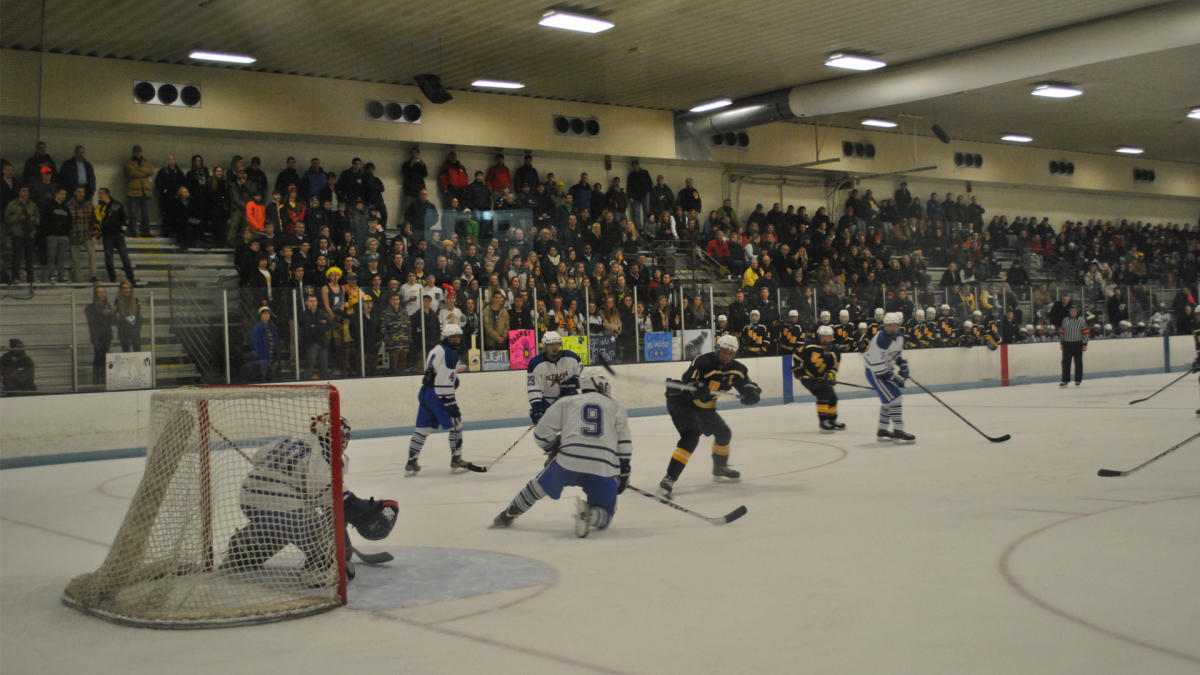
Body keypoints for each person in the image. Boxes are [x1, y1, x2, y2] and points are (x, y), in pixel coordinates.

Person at [221, 415, 399, 588]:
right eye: (340, 435)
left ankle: (243, 551)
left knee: (285, 526)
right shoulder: (326, 455)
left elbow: (258, 456)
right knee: (314, 534)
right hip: (284, 507)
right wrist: (370, 510)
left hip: (249, 499)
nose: (343, 441)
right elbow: (340, 502)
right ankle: (320, 569)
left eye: (344, 436)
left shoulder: (291, 440)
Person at [492, 373, 631, 537]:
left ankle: (509, 514)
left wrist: (551, 448)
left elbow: (541, 434)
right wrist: (624, 470)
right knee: (606, 516)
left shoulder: (567, 402)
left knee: (536, 487)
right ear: (601, 386)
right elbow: (624, 444)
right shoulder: (616, 406)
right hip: (603, 466)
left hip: (569, 460)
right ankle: (590, 515)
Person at [656, 334, 762, 499]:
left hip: (705, 407)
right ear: (718, 349)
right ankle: (669, 478)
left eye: (730, 353)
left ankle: (720, 467)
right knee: (691, 436)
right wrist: (696, 387)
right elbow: (688, 380)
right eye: (724, 351)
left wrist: (751, 392)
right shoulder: (703, 361)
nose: (726, 355)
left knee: (724, 433)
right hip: (684, 403)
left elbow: (746, 384)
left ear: (734, 354)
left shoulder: (738, 369)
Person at [405, 323, 472, 475]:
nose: (456, 340)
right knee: (456, 424)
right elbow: (442, 381)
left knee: (422, 428)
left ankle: (411, 460)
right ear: (445, 338)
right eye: (452, 337)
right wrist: (450, 403)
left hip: (426, 392)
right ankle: (456, 458)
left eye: (458, 337)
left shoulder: (437, 349)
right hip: (439, 395)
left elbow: (436, 372)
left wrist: (454, 376)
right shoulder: (451, 354)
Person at [864, 312, 915, 443]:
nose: (893, 328)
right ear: (885, 326)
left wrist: (902, 364)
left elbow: (894, 354)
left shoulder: (899, 336)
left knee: (889, 401)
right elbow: (878, 368)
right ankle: (898, 431)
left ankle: (882, 430)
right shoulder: (880, 340)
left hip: (885, 369)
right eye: (890, 325)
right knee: (896, 397)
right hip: (874, 372)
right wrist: (895, 378)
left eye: (895, 325)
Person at [526, 331, 583, 423]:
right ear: (545, 346)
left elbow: (580, 373)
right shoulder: (536, 364)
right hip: (547, 403)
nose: (555, 347)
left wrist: (573, 384)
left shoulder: (572, 358)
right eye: (551, 344)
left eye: (557, 344)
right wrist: (537, 409)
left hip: (569, 400)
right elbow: (534, 389)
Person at [795, 325, 844, 432]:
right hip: (808, 377)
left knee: (832, 398)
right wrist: (799, 371)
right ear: (818, 336)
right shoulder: (809, 346)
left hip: (822, 378)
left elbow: (834, 366)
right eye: (823, 336)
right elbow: (797, 356)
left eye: (828, 337)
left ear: (832, 337)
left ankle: (831, 420)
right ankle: (823, 422)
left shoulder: (834, 350)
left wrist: (830, 375)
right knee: (823, 394)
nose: (825, 339)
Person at [96, 188, 136, 284]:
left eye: (101, 193)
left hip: (118, 235)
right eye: (99, 194)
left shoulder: (117, 205)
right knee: (108, 258)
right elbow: (98, 223)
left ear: (107, 194)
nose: (99, 195)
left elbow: (124, 218)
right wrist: (99, 236)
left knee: (125, 257)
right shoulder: (99, 207)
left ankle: (131, 278)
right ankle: (112, 278)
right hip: (107, 235)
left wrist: (123, 231)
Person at [3, 185, 38, 284]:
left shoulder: (32, 204)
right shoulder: (12, 204)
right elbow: (7, 219)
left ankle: (30, 278)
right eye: (23, 191)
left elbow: (37, 217)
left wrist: (33, 219)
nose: (25, 193)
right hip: (17, 233)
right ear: (19, 192)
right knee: (17, 257)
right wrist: (18, 217)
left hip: (29, 233)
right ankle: (15, 276)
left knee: (30, 258)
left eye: (27, 191)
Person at [84, 285, 114, 385]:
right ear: (95, 294)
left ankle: (105, 378)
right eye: (99, 292)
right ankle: (96, 379)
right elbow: (92, 322)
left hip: (107, 335)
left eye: (103, 292)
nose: (102, 294)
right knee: (98, 356)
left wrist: (111, 314)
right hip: (96, 335)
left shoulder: (108, 306)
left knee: (106, 356)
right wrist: (102, 314)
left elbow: (112, 322)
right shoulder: (90, 307)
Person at [298, 292, 330, 379]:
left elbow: (327, 326)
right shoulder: (304, 315)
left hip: (322, 343)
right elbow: (306, 329)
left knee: (324, 367)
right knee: (310, 366)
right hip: (310, 343)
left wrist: (315, 326)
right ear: (306, 303)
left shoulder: (321, 313)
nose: (313, 303)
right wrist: (319, 325)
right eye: (311, 301)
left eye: (315, 301)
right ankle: (306, 382)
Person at [124, 145, 154, 237]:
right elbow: (131, 172)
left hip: (145, 191)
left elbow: (151, 171)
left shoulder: (146, 162)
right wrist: (144, 172)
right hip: (133, 192)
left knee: (146, 215)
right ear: (133, 152)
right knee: (133, 215)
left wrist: (139, 170)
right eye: (136, 152)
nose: (138, 153)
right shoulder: (129, 163)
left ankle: (146, 232)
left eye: (139, 151)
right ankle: (133, 232)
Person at [1059, 305, 1089, 387]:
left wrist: (1085, 344)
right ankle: (1065, 380)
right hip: (1067, 344)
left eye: (1074, 311)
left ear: (1077, 311)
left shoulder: (1081, 320)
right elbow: (1062, 331)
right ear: (1069, 311)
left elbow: (1086, 332)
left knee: (1078, 363)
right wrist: (1061, 343)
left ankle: (1078, 380)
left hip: (1077, 344)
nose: (1072, 312)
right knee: (1065, 363)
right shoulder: (1065, 320)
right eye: (1071, 311)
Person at [250, 306, 280, 382]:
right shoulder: (257, 328)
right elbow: (256, 343)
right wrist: (260, 356)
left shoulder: (273, 327)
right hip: (263, 357)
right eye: (264, 314)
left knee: (272, 375)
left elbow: (276, 341)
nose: (266, 315)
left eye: (268, 314)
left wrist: (277, 354)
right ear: (261, 316)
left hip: (272, 356)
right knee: (263, 376)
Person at [114, 281, 142, 352]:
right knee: (125, 350)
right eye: (124, 288)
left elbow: (138, 315)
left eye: (129, 288)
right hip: (123, 330)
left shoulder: (136, 300)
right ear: (121, 290)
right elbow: (117, 316)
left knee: (137, 349)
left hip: (134, 330)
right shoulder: (117, 301)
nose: (127, 290)